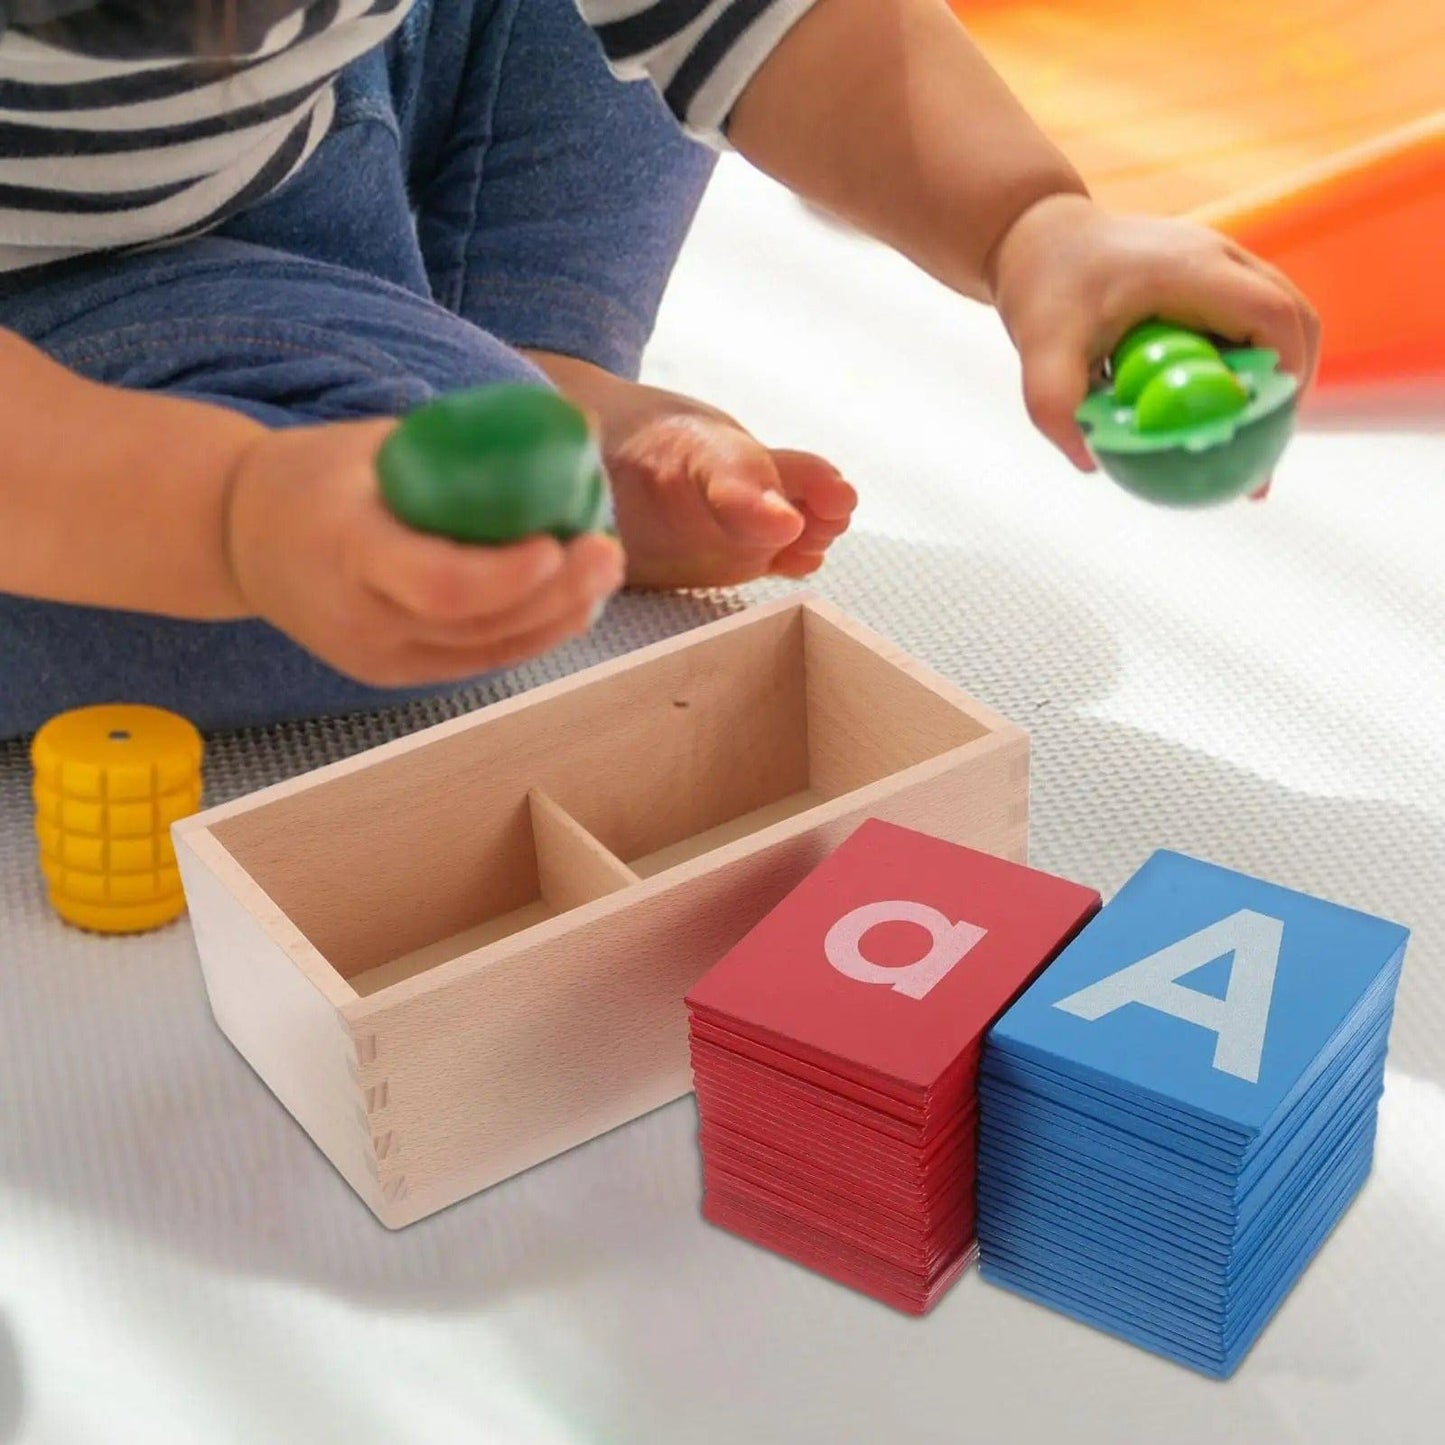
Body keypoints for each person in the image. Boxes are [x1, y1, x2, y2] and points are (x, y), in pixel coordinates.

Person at [0, 0, 1319, 737]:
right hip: (56, 359)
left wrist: (1032, 229)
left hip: (312, 128)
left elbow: (779, 26)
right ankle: (450, 427)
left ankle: (542, 360)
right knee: (424, 550)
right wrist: (230, 515)